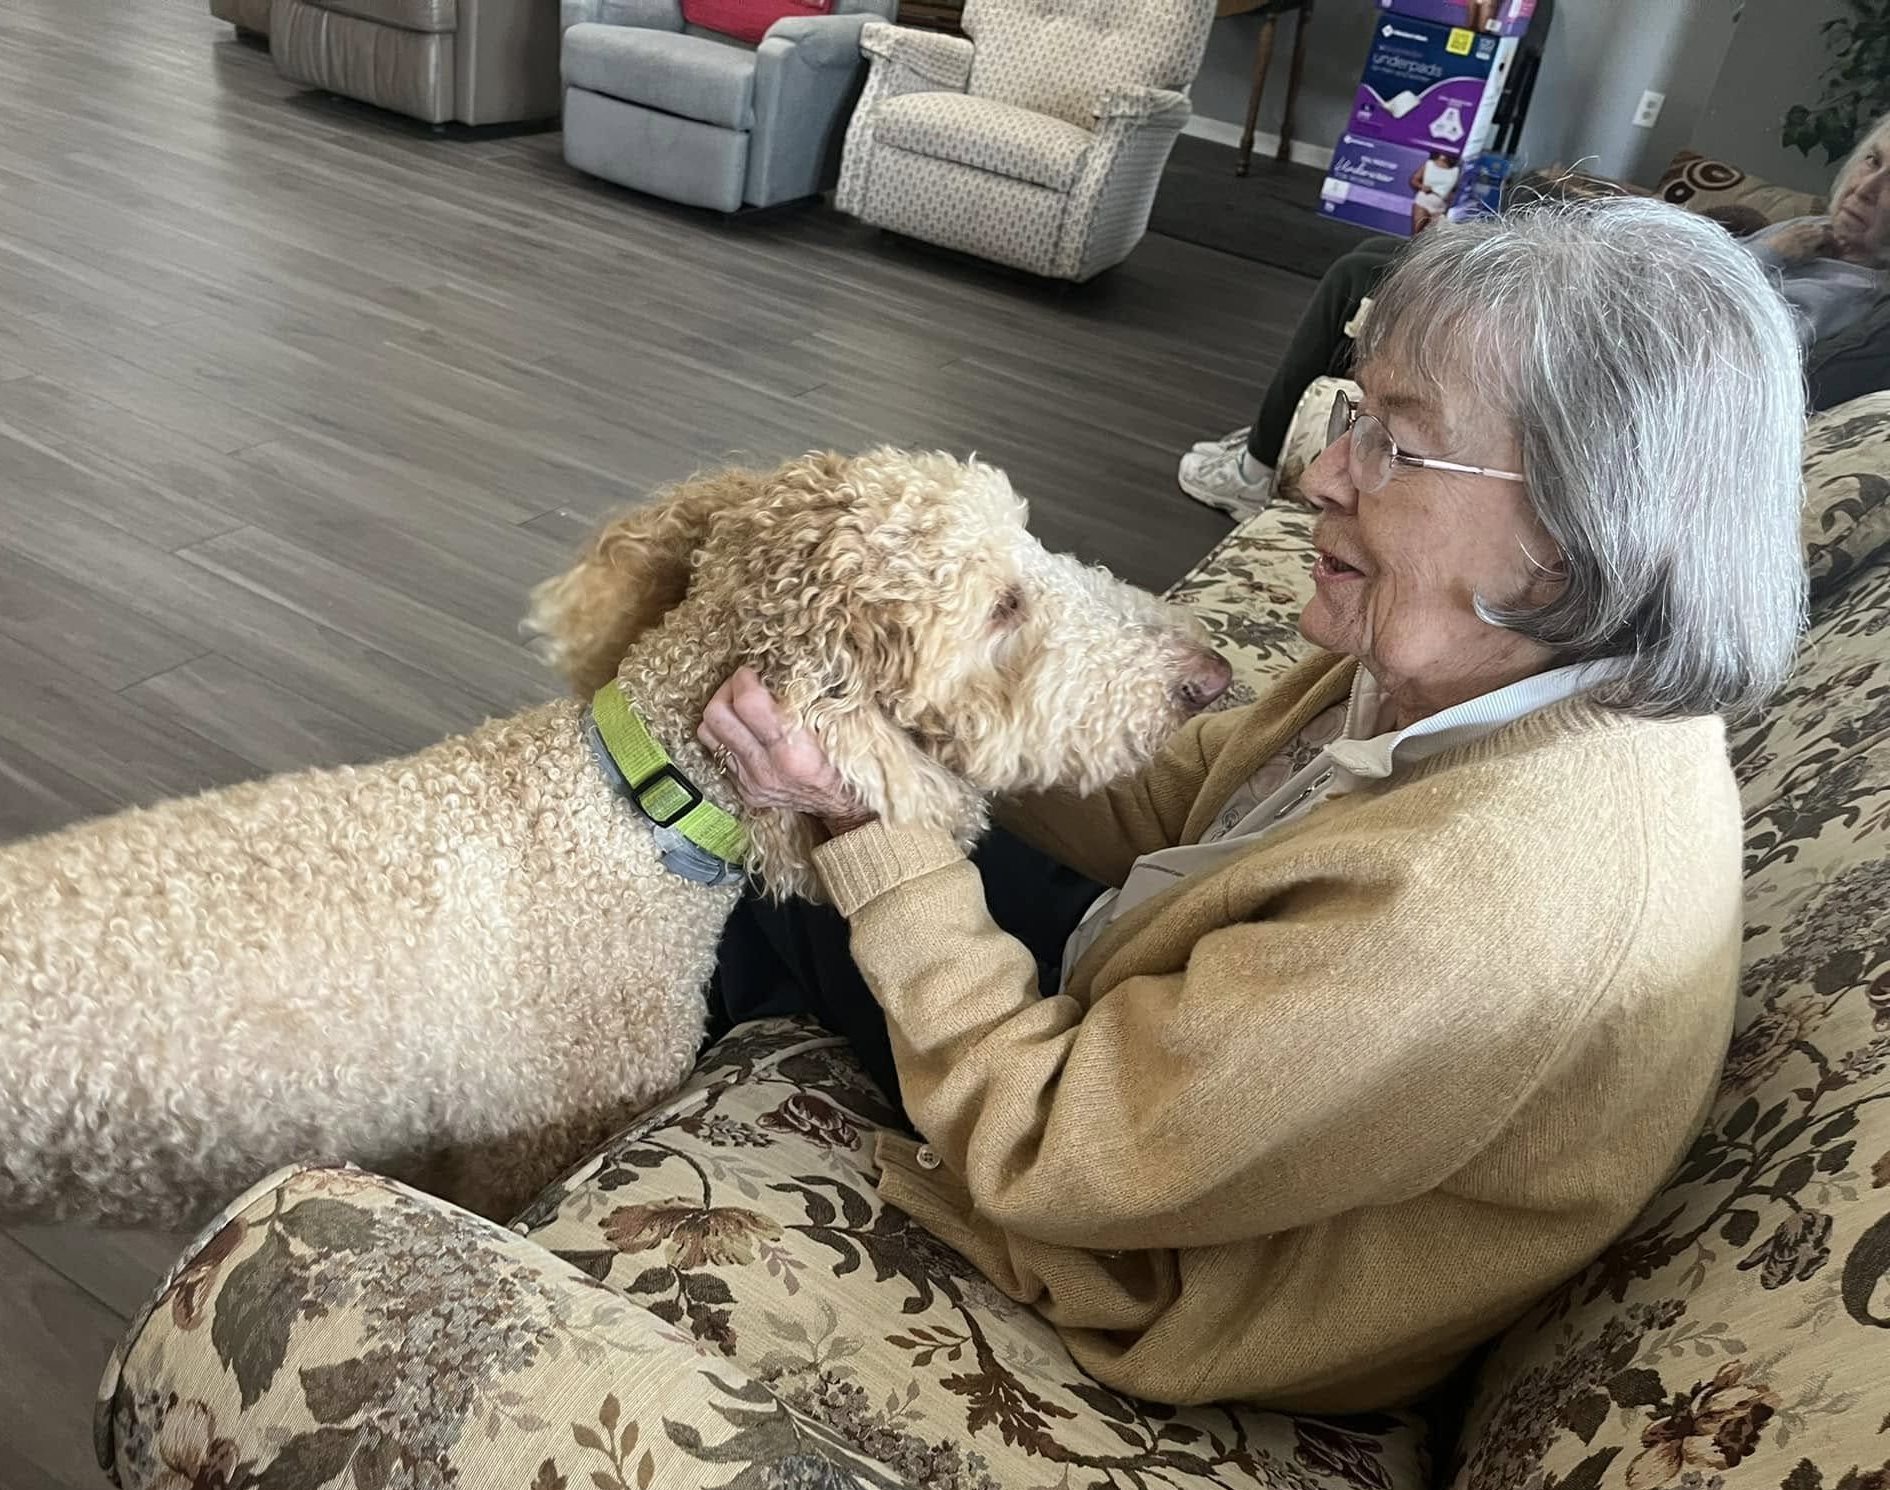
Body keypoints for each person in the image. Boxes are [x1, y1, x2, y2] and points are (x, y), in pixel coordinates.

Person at [698, 197, 1807, 1413]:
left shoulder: (1479, 902)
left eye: (1393, 440)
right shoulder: (1483, 652)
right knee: (784, 769)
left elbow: (1050, 1147)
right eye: (1352, 413)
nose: (1315, 471)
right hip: (1167, 1019)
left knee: (747, 869)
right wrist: (948, 707)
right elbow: (1195, 806)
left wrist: (870, 828)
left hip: (1155, 1260)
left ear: (1573, 526)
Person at [1179, 111, 1890, 520]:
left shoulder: (1858, 300)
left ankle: (1256, 464)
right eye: (1872, 162)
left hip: (1601, 363)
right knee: (1402, 250)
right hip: (1608, 318)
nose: (1867, 186)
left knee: (1361, 275)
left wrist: (1764, 258)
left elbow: (1729, 350)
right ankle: (1286, 435)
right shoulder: (1812, 240)